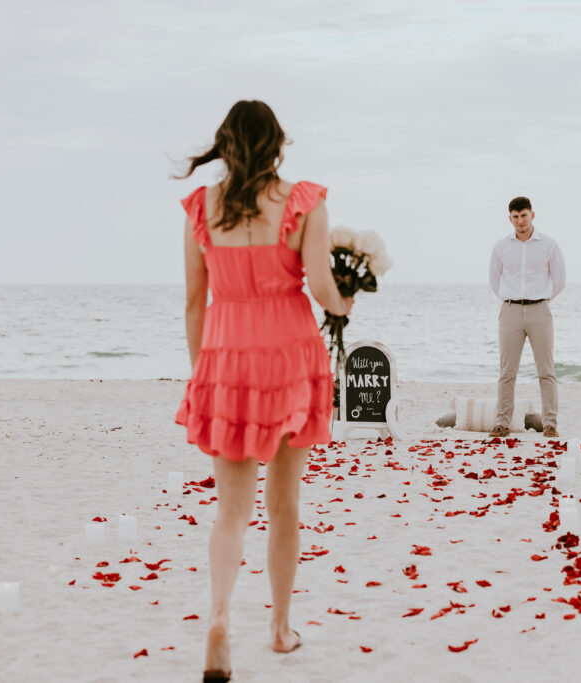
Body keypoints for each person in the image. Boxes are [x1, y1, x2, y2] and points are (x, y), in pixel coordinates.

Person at [174, 100, 352, 682]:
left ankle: (220, 617)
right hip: (289, 354)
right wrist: (346, 302)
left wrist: (205, 371)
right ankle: (278, 629)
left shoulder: (202, 208)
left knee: (230, 510)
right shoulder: (304, 202)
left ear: (224, 143)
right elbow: (322, 287)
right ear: (278, 143)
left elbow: (194, 302)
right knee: (284, 505)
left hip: (227, 355)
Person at [488, 196, 566, 438]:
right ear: (509, 218)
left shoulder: (549, 245)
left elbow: (559, 281)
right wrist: (512, 300)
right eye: (515, 217)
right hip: (510, 311)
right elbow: (495, 280)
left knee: (546, 370)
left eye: (524, 215)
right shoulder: (501, 247)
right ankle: (502, 423)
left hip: (540, 311)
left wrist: (540, 302)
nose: (520, 221)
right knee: (507, 372)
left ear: (532, 215)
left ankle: (550, 424)